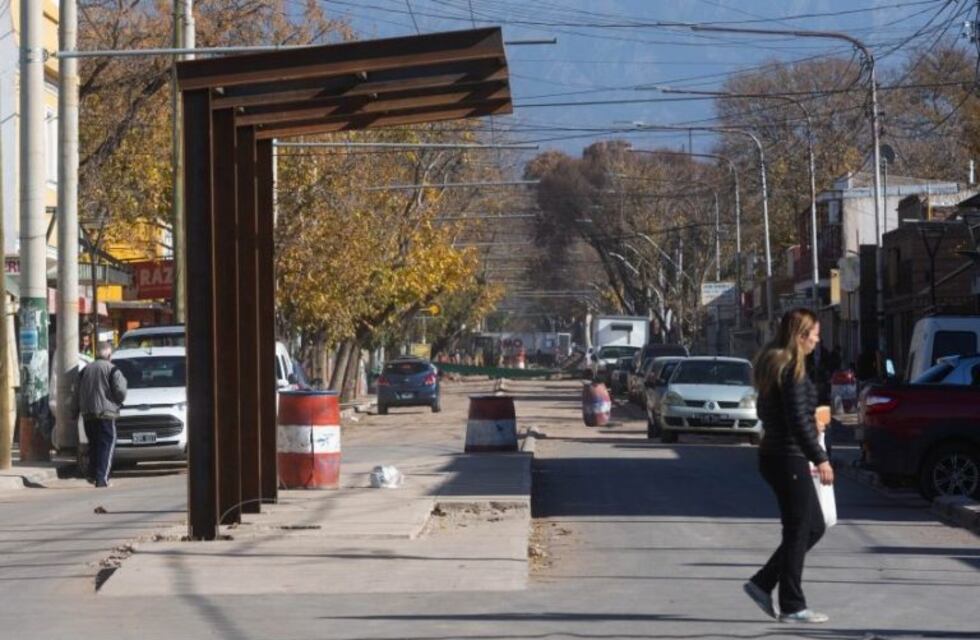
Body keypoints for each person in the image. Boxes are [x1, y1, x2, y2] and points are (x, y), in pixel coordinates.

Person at [743, 308, 834, 624]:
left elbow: (772, 413)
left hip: (776, 455)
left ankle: (763, 583)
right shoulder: (791, 369)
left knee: (812, 526)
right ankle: (792, 605)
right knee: (799, 529)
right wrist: (821, 458)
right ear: (801, 335)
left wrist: (810, 421)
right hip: (787, 457)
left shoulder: (774, 364)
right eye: (815, 335)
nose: (817, 341)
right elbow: (795, 420)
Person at [74, 341, 127, 488]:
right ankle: (102, 478)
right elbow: (121, 391)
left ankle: (94, 475)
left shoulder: (85, 370)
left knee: (94, 445)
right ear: (109, 355)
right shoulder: (112, 369)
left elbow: (76, 393)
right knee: (107, 445)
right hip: (106, 414)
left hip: (88, 414)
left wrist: (75, 411)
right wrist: (117, 401)